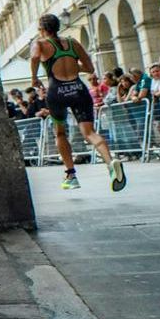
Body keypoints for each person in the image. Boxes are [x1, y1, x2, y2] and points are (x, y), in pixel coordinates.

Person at [28, 13, 126, 191]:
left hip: (56, 91)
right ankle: (111, 163)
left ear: (42, 30)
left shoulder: (40, 43)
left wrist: (34, 78)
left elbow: (34, 57)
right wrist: (73, 65)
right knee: (89, 132)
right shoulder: (72, 42)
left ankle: (71, 175)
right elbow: (89, 68)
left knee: (60, 133)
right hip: (79, 90)